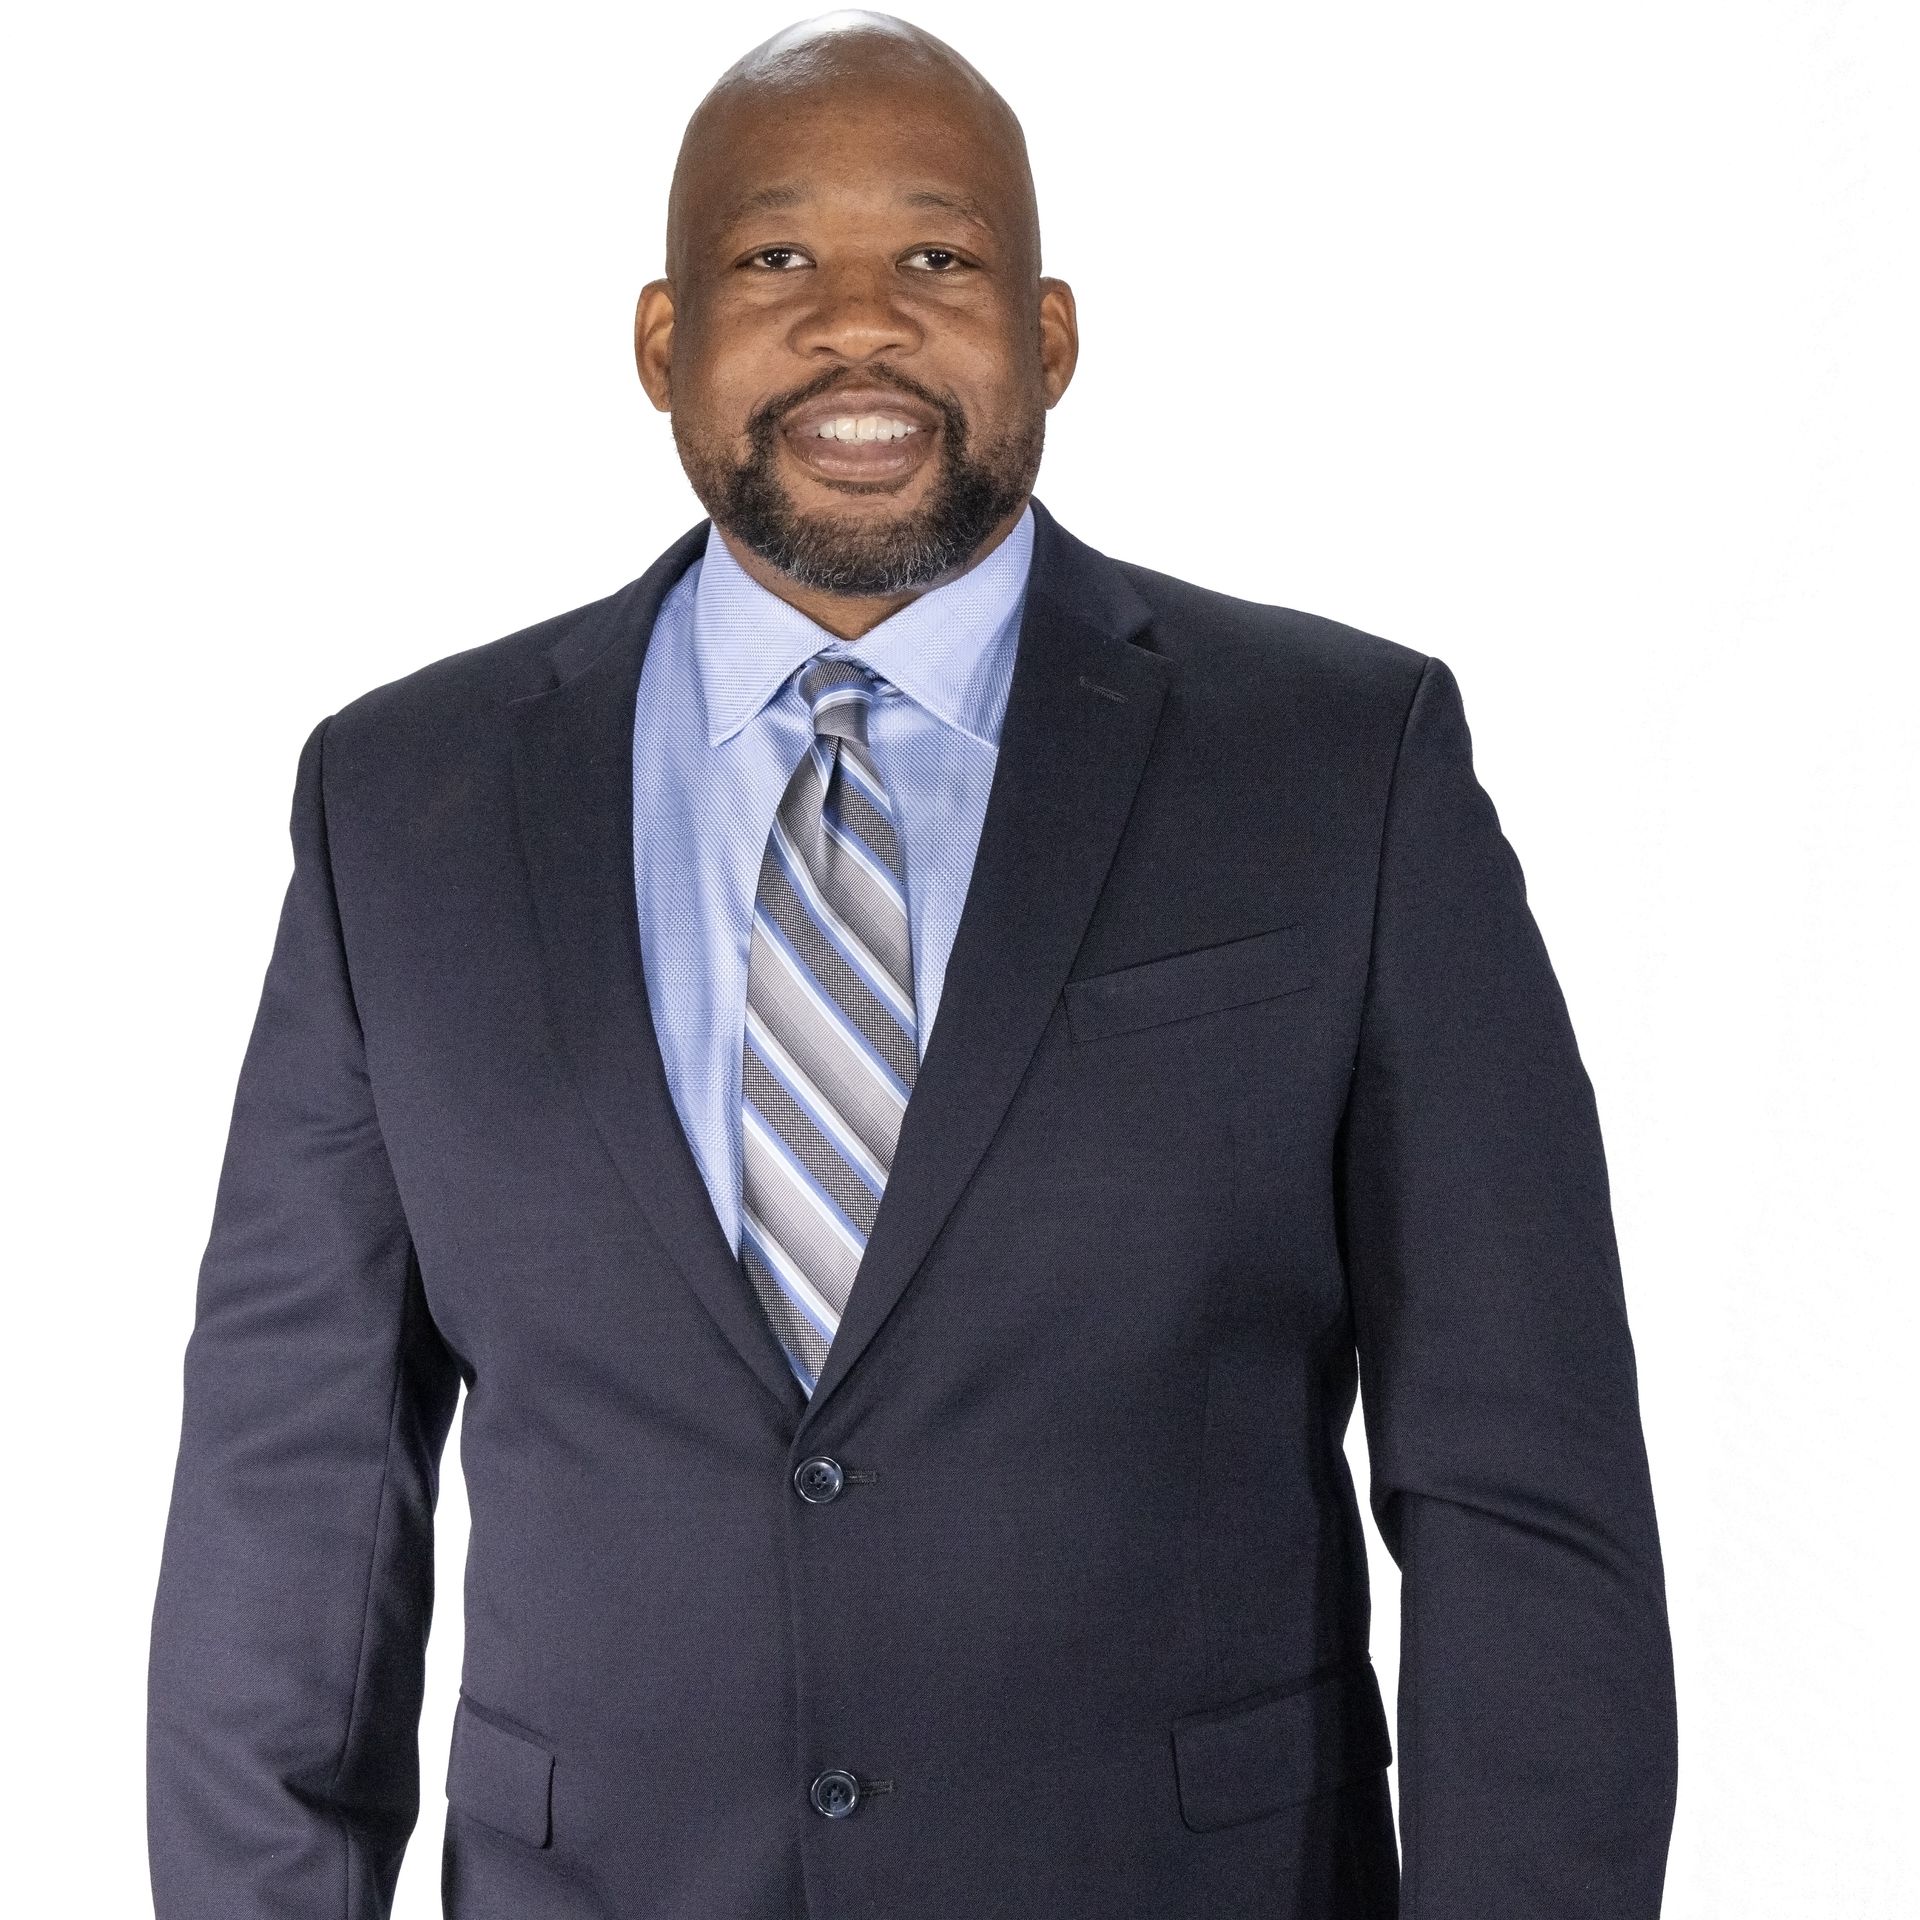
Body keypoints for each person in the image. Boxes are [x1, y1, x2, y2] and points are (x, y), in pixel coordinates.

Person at [146, 13, 1678, 1918]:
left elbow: (1517, 1488)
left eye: (938, 259)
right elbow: (288, 1497)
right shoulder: (401, 800)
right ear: (660, 340)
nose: (858, 322)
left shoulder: (1340, 764)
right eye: (775, 258)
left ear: (1046, 334)